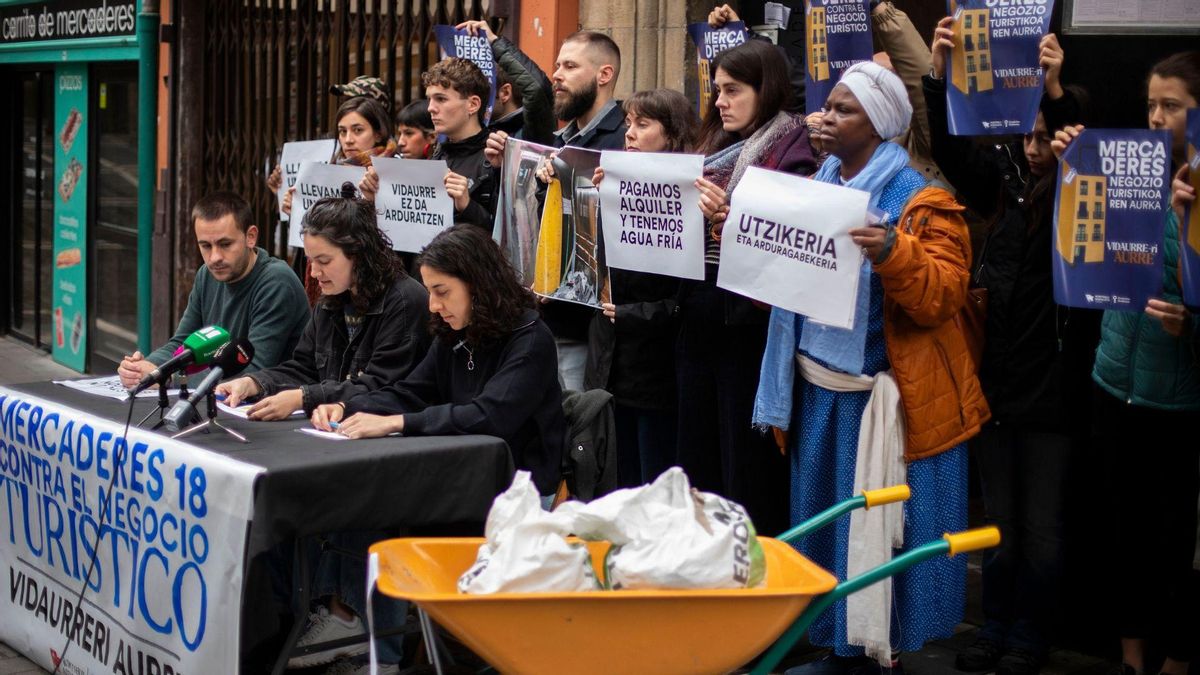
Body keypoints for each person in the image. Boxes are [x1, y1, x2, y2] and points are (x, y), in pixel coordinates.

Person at [753, 61, 988, 674]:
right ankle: (838, 648)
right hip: (820, 391)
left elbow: (943, 293)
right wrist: (742, 224)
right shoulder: (818, 183)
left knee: (885, 537)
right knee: (827, 531)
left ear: (879, 125)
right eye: (827, 106)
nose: (826, 117)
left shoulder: (922, 201)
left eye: (843, 109)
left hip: (886, 401)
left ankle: (880, 656)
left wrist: (892, 249)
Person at [925, 18, 1096, 675]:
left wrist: (1054, 89)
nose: (1030, 148)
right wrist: (940, 77)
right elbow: (952, 150)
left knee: (1043, 529)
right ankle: (994, 624)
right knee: (1000, 524)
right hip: (998, 387)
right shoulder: (1006, 200)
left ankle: (1030, 633)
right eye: (1023, 135)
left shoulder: (1081, 201)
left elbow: (1074, 141)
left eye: (1042, 137)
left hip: (1052, 396)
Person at [1051, 50, 1200, 675]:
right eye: (1151, 104)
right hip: (1114, 385)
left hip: (1179, 401)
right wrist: (1074, 163)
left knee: (1175, 545)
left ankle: (1176, 662)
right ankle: (1132, 658)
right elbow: (1079, 240)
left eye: (1173, 107)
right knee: (1122, 534)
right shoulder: (1130, 169)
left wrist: (1193, 322)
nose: (1157, 117)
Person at [675, 39, 817, 537]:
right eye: (716, 90)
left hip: (751, 329)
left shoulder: (794, 148)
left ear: (767, 89)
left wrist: (728, 220)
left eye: (733, 90)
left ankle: (751, 575)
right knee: (700, 460)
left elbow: (790, 241)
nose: (719, 101)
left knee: (745, 470)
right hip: (700, 319)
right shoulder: (710, 148)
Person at [312, 223, 565, 498]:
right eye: (430, 291)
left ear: (478, 284)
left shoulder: (530, 339)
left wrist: (398, 423)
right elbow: (412, 392)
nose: (432, 305)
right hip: (464, 477)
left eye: (442, 292)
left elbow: (490, 416)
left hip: (520, 493)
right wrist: (346, 406)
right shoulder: (454, 330)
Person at [484, 31, 629, 391]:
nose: (557, 75)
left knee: (581, 431)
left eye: (570, 66)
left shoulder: (624, 139)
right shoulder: (559, 141)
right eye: (557, 65)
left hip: (593, 325)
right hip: (550, 312)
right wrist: (519, 171)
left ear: (604, 75)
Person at [214, 182, 430, 420]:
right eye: (310, 261)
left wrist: (302, 398)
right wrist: (252, 382)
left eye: (324, 261)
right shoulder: (331, 300)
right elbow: (303, 368)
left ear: (357, 254)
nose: (315, 272)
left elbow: (379, 385)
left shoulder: (404, 302)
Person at [586, 88, 699, 486]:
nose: (629, 134)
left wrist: (634, 315)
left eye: (643, 124)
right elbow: (593, 264)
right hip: (613, 362)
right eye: (628, 124)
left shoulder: (693, 196)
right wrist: (597, 202)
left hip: (659, 370)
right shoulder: (615, 185)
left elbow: (687, 296)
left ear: (671, 134)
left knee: (654, 480)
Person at [118, 192, 309, 388]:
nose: (215, 257)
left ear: (251, 237)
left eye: (225, 244)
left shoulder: (276, 282)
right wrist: (145, 367)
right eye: (206, 246)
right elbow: (182, 344)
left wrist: (166, 379)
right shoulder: (206, 275)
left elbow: (253, 370)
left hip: (275, 403)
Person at [456, 19, 556, 144]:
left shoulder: (533, 131)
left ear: (505, 93)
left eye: (479, 91)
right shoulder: (477, 131)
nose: (472, 101)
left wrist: (494, 42)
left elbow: (536, 89)